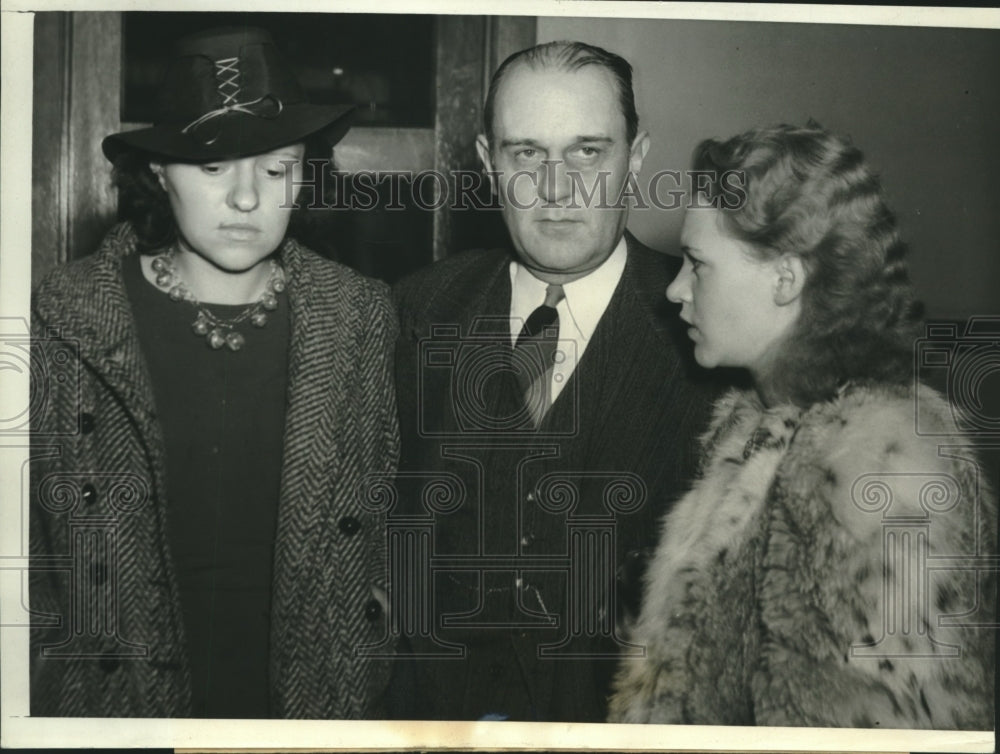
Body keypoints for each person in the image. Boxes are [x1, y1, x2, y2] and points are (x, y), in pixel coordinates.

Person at [29, 27, 398, 718]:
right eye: (213, 167)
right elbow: (30, 545)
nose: (248, 199)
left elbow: (377, 515)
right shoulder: (68, 318)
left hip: (308, 706)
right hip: (120, 704)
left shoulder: (357, 317)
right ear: (160, 172)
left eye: (276, 168)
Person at [608, 123, 996, 728]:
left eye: (698, 264)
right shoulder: (756, 427)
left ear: (786, 279)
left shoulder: (884, 469)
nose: (676, 290)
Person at [389, 41, 716, 722]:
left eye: (588, 152)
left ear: (637, 156)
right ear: (487, 162)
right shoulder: (412, 315)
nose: (557, 186)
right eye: (526, 154)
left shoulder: (709, 338)